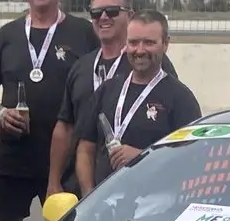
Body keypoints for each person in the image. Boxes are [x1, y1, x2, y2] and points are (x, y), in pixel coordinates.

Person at [0, 0, 98, 221]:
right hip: (14, 157)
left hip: (64, 158)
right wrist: (0, 113)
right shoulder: (7, 35)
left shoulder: (83, 32)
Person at [49, 0, 178, 198]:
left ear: (130, 15)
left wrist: (145, 158)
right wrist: (53, 182)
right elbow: (66, 127)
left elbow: (176, 145)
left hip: (142, 192)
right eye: (96, 13)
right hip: (83, 189)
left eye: (112, 11)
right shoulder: (81, 66)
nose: (104, 17)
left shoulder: (152, 64)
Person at [76, 10, 201, 191]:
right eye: (133, 42)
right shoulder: (107, 90)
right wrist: (88, 197)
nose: (140, 50)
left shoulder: (181, 99)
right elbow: (85, 148)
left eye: (149, 43)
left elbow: (190, 159)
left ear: (165, 44)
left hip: (154, 206)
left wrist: (144, 157)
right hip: (103, 205)